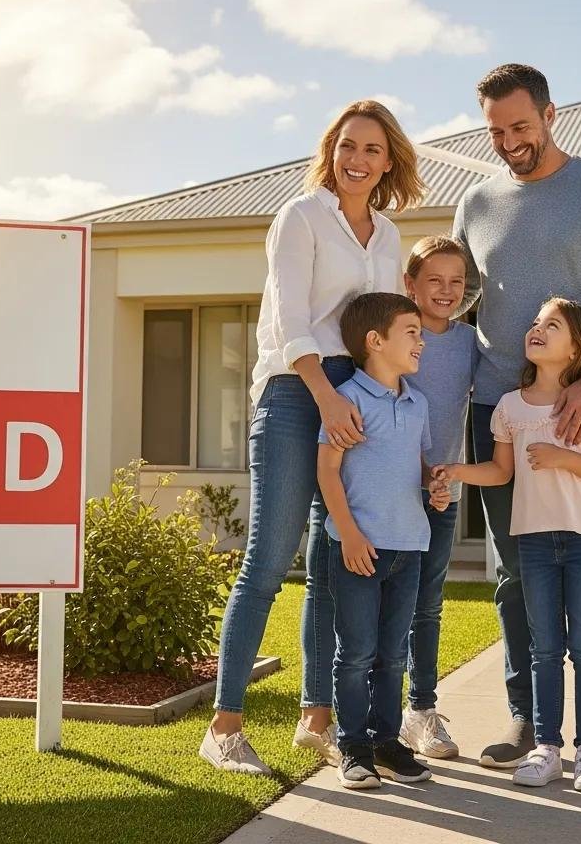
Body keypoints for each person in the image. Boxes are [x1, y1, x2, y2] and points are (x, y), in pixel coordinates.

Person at [452, 63, 581, 780]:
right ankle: (529, 716)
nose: (510, 141)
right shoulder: (476, 203)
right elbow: (461, 305)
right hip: (498, 410)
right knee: (515, 573)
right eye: (496, 130)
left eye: (520, 125)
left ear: (550, 114)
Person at [200, 101, 425, 775]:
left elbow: (380, 327)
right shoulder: (299, 217)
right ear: (331, 150)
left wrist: (374, 402)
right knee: (268, 560)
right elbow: (291, 320)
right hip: (298, 393)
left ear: (389, 162)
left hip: (354, 396)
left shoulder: (386, 236)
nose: (358, 160)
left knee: (333, 567)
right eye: (348, 146)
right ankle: (224, 727)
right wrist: (326, 396)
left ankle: (316, 720)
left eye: (373, 151)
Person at [439, 298, 581, 792]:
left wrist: (561, 458)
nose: (536, 329)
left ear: (576, 349)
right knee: (545, 649)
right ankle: (547, 747)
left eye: (552, 325)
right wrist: (458, 470)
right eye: (535, 322)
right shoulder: (509, 406)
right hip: (535, 543)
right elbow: (500, 472)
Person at [317, 292, 451, 789]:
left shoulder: (417, 404)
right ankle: (352, 744)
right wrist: (349, 534)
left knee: (394, 653)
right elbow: (328, 472)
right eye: (411, 331)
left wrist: (432, 489)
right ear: (376, 341)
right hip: (357, 547)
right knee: (355, 652)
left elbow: (413, 467)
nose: (421, 340)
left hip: (409, 546)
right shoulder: (346, 400)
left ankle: (386, 740)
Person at [399, 236, 479, 760]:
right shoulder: (395, 335)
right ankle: (364, 713)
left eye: (457, 281)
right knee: (382, 605)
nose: (447, 291)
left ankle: (421, 712)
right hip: (387, 490)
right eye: (435, 280)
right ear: (411, 285)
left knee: (427, 606)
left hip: (440, 496)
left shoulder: (472, 344)